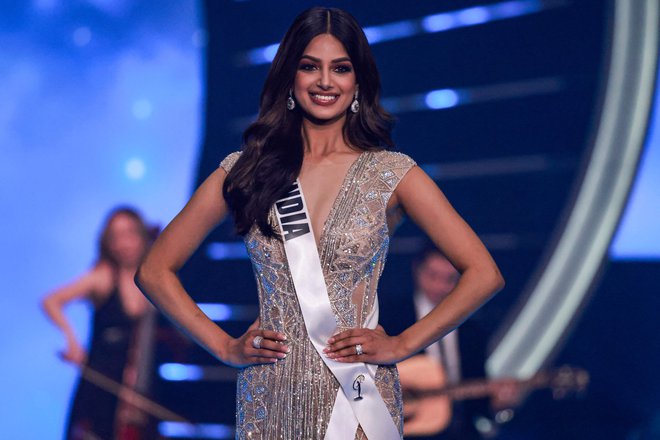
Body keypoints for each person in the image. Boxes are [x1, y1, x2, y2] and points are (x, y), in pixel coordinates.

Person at [135, 7, 504, 440]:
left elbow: (484, 274)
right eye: (310, 67)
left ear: (358, 82)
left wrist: (404, 344)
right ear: (290, 78)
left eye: (340, 69)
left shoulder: (391, 173)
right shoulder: (248, 170)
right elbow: (153, 271)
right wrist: (224, 345)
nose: (325, 81)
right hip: (270, 394)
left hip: (359, 397)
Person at [42, 206, 158, 440]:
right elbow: (51, 301)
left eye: (129, 234)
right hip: (100, 389)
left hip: (138, 394)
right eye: (116, 237)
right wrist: (72, 343)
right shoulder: (103, 276)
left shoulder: (153, 280)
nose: (124, 243)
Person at [382, 247, 519, 439]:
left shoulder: (472, 331)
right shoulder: (390, 318)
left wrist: (499, 404)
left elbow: (478, 403)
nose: (439, 286)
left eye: (449, 279)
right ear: (417, 270)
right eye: (433, 275)